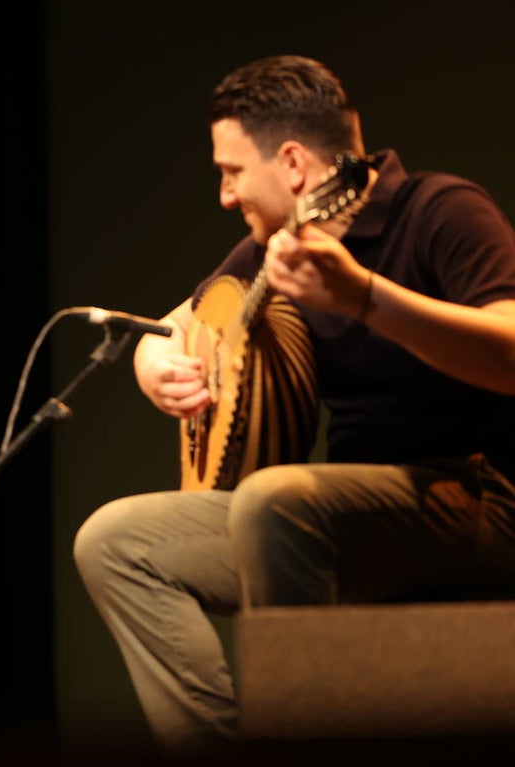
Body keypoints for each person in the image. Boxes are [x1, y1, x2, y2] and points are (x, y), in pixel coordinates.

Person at [73, 55, 515, 760]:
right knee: (116, 541)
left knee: (274, 501)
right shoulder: (274, 246)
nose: (224, 194)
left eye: (232, 171)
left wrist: (366, 297)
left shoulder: (441, 211)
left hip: (479, 494)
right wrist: (153, 364)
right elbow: (172, 323)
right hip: (344, 509)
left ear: (293, 163)